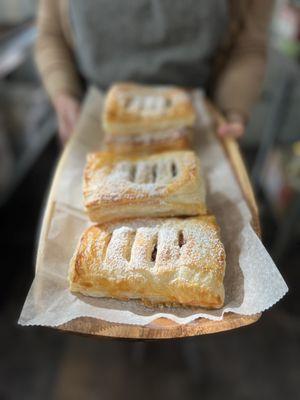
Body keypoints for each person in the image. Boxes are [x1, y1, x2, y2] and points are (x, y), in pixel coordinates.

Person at [35, 0, 274, 144]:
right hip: (96, 122)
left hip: (199, 126)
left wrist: (233, 110)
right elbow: (51, 34)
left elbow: (247, 46)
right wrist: (63, 95)